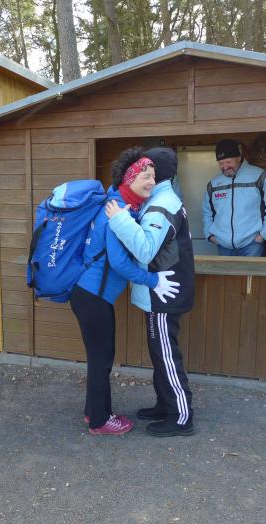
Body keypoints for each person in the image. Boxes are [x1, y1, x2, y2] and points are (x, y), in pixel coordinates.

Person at [71, 148, 180, 436]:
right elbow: (119, 263)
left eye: (154, 176)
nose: (152, 182)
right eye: (146, 176)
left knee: (100, 357)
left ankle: (93, 412)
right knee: (101, 360)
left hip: (92, 295)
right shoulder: (116, 210)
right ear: (129, 178)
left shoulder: (119, 204)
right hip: (93, 297)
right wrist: (152, 280)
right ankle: (100, 421)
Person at [105, 147, 196, 437]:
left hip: (164, 295)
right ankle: (165, 405)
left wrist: (118, 219)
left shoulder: (161, 205)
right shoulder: (159, 199)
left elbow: (145, 248)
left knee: (166, 355)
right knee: (160, 353)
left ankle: (181, 417)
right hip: (161, 291)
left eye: (148, 168)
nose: (145, 173)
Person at [202, 138, 266, 257]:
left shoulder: (261, 177)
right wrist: (209, 235)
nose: (225, 167)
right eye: (221, 163)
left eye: (228, 162)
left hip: (252, 245)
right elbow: (207, 212)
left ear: (239, 157)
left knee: (250, 271)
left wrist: (264, 235)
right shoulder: (214, 183)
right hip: (223, 245)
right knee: (225, 271)